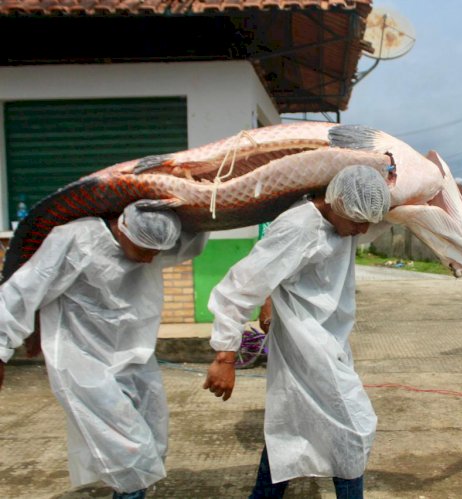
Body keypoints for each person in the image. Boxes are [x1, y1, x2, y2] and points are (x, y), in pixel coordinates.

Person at [202, 165, 391, 499]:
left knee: (292, 430)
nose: (362, 231)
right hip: (304, 347)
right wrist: (225, 356)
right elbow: (237, 288)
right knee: (354, 430)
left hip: (326, 343)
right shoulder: (298, 227)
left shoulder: (341, 222)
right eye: (358, 221)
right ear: (337, 202)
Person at [0, 202, 207, 499]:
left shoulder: (153, 243)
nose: (151, 261)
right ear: (123, 230)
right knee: (130, 454)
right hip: (83, 362)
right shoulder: (75, 240)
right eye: (145, 251)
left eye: (157, 253)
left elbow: (190, 244)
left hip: (136, 358)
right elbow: (22, 292)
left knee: (153, 442)